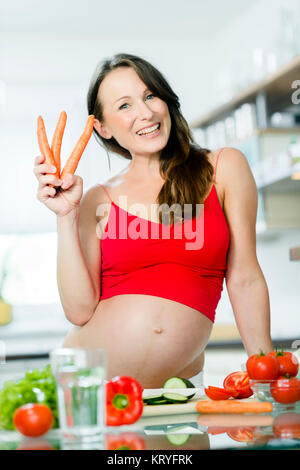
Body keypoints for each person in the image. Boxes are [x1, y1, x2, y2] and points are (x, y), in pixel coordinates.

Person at [33, 53, 274, 389]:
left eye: (150, 96)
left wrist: (264, 372)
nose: (145, 113)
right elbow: (78, 311)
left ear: (166, 100)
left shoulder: (223, 167)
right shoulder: (96, 200)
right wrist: (65, 217)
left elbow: (245, 278)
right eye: (124, 106)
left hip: (176, 392)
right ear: (102, 127)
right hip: (90, 391)